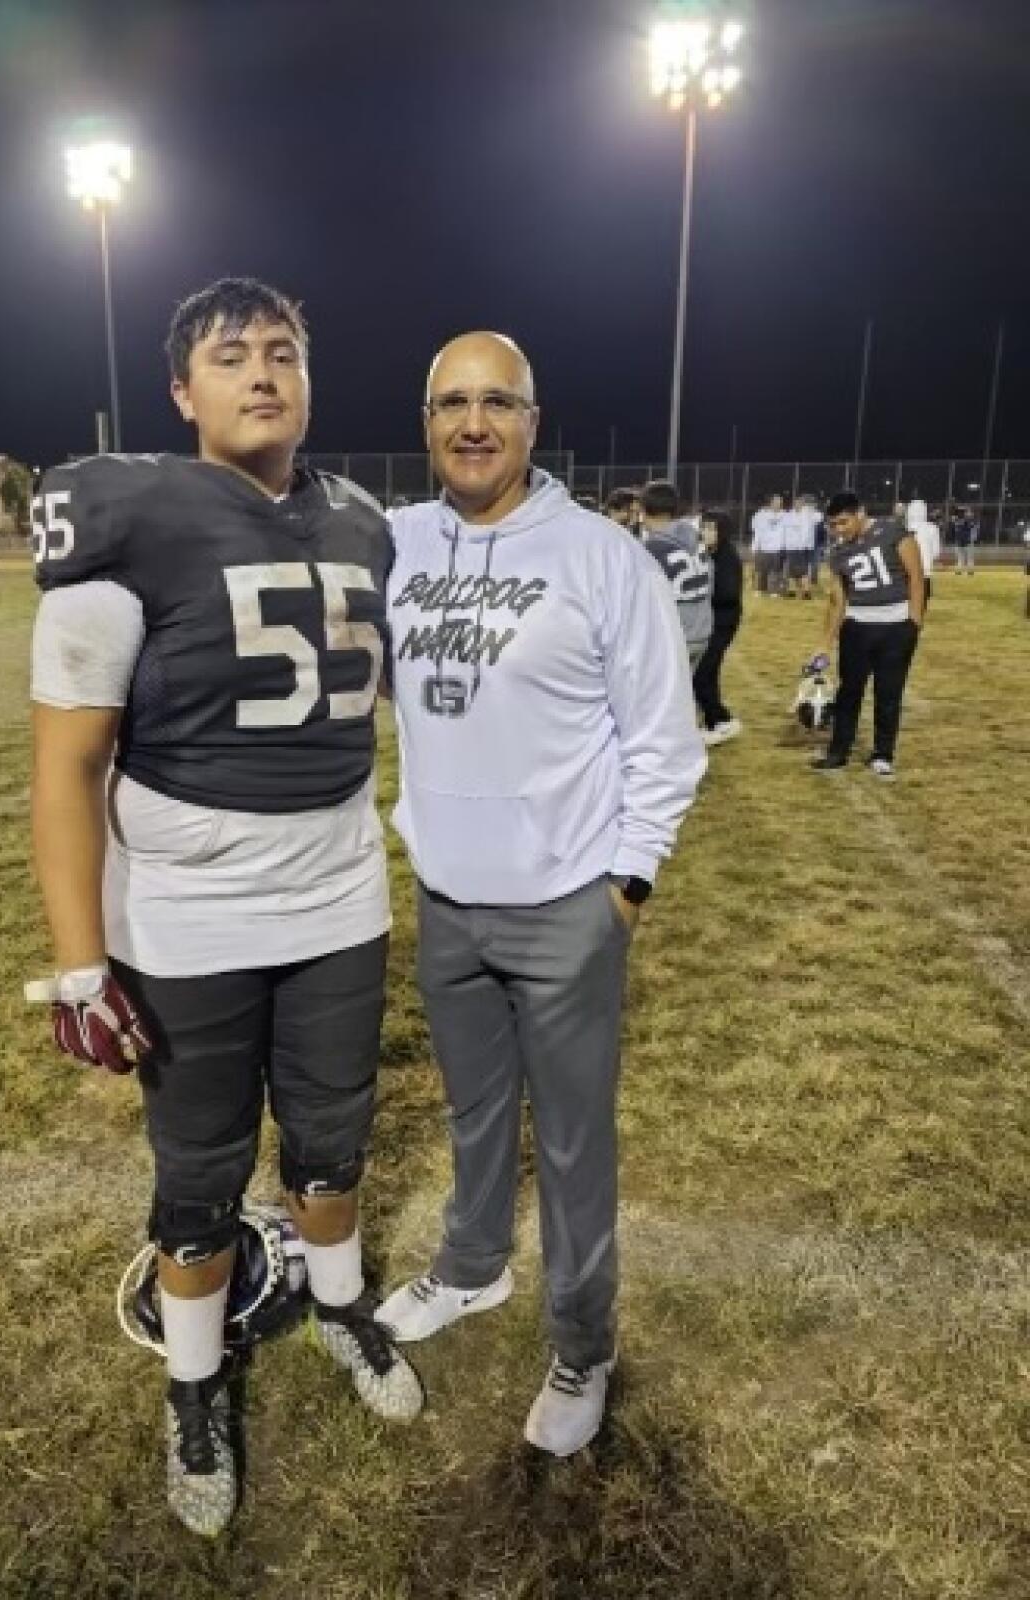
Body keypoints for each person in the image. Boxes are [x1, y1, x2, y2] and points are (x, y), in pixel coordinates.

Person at [29, 276, 422, 1540]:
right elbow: (67, 765)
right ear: (182, 390)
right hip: (190, 916)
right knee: (198, 1175)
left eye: (285, 353)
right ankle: (194, 1380)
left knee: (332, 1140)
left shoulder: (364, 522)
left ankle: (344, 1302)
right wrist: (82, 964)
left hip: (338, 893)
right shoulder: (123, 515)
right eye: (233, 355)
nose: (264, 373)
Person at [376, 331, 706, 1457]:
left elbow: (667, 739)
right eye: (451, 402)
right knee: (474, 1115)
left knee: (570, 1144)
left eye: (498, 402)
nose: (474, 423)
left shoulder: (604, 557)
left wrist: (627, 883)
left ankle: (581, 1341)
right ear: (425, 422)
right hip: (447, 902)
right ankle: (471, 1269)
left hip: (571, 904)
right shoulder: (396, 544)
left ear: (533, 418)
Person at [807, 490, 925, 779]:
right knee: (849, 692)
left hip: (896, 628)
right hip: (857, 628)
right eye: (833, 524)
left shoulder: (894, 532)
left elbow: (916, 578)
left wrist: (914, 622)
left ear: (860, 514)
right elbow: (837, 601)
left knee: (888, 693)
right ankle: (838, 751)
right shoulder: (838, 552)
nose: (838, 530)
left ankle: (883, 754)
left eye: (843, 522)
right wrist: (824, 643)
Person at [639, 480, 713, 668]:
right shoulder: (695, 536)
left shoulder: (652, 548)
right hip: (700, 631)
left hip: (672, 637)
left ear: (643, 510)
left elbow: (642, 602)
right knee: (684, 693)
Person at [693, 509, 744, 744]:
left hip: (722, 622)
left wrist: (701, 592)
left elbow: (728, 594)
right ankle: (715, 721)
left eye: (712, 528)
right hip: (708, 620)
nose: (706, 532)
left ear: (722, 532)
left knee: (703, 673)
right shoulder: (704, 553)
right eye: (704, 526)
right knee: (707, 673)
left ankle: (721, 720)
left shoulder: (727, 557)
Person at [905, 498, 941, 609]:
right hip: (924, 573)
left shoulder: (903, 528)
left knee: (904, 609)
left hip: (905, 574)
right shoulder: (932, 528)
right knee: (920, 608)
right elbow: (936, 553)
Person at [782, 495, 818, 599]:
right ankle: (791, 590)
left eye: (801, 503)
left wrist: (811, 509)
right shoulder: (788, 516)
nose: (799, 505)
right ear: (794, 504)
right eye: (797, 503)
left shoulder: (809, 515)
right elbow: (784, 531)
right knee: (791, 570)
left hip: (804, 548)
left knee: (804, 570)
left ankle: (806, 591)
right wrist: (784, 545)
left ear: (803, 504)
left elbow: (819, 517)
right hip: (791, 547)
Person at [750, 493, 786, 596]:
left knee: (776, 571)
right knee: (761, 570)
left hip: (778, 548)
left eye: (780, 502)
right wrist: (754, 547)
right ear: (771, 503)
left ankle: (774, 590)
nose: (778, 504)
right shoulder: (761, 515)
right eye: (775, 502)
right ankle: (760, 589)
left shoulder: (785, 515)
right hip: (763, 547)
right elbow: (757, 531)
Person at [952, 504, 979, 574]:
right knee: (968, 558)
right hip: (967, 541)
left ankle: (959, 571)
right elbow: (972, 525)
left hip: (960, 542)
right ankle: (969, 571)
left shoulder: (956, 520)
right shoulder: (966, 521)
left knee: (961, 558)